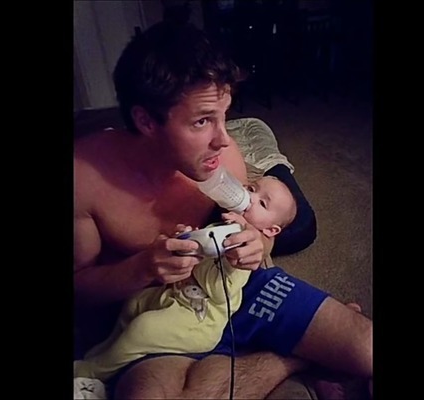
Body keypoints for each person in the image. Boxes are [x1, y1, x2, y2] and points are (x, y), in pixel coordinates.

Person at [74, 21, 372, 399]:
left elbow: (259, 233)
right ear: (146, 121)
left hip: (239, 288)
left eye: (225, 115)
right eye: (202, 121)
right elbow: (79, 290)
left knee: (366, 350)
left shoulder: (224, 162)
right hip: (163, 311)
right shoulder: (85, 178)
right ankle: (292, 360)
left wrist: (258, 245)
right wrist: (142, 268)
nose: (224, 139)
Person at [74, 175, 297, 389]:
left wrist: (226, 253)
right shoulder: (220, 226)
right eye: (251, 189)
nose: (250, 199)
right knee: (135, 303)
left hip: (199, 317)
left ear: (271, 230)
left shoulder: (243, 253)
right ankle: (104, 351)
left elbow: (219, 293)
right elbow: (193, 251)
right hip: (176, 294)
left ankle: (94, 371)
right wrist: (185, 239)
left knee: (143, 329)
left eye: (262, 203)